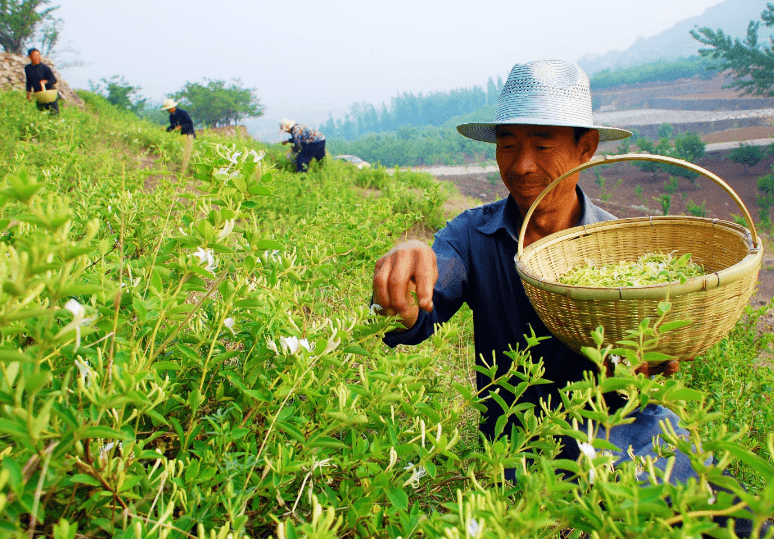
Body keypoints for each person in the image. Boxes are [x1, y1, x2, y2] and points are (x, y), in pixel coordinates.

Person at [372, 60, 766, 536]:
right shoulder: (472, 235)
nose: (520, 166)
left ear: (586, 149)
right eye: (507, 144)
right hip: (522, 450)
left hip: (624, 431)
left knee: (733, 517)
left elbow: (653, 357)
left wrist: (654, 359)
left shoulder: (616, 247)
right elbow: (424, 298)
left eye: (541, 145)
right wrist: (405, 285)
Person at [24, 48, 59, 115]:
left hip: (49, 94)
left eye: (38, 55)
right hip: (38, 94)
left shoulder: (45, 68)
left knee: (53, 114)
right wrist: (28, 93)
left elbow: (54, 80)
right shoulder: (28, 68)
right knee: (41, 113)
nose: (37, 57)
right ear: (29, 57)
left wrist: (46, 82)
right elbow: (28, 81)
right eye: (35, 56)